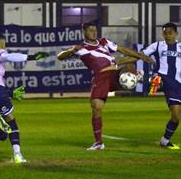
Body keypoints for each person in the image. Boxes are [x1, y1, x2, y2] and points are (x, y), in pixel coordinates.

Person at [57, 22, 154, 150]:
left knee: (129, 65)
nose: (94, 32)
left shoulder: (103, 41)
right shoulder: (81, 48)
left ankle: (136, 78)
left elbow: (122, 49)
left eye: (95, 30)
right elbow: (60, 57)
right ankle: (99, 143)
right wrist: (70, 50)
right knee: (96, 108)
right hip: (101, 77)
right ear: (84, 32)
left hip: (114, 71)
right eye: (90, 30)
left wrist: (140, 55)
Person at [0, 32, 48, 163]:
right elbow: (10, 57)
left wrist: (9, 93)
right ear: (2, 43)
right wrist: (32, 57)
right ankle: (17, 154)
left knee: (1, 135)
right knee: (10, 120)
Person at [121, 22, 180, 150]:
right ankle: (165, 141)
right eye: (165, 33)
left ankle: (164, 141)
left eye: (170, 33)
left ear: (176, 33)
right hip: (168, 81)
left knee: (176, 118)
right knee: (176, 115)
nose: (168, 35)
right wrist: (119, 63)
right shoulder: (158, 45)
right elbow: (139, 55)